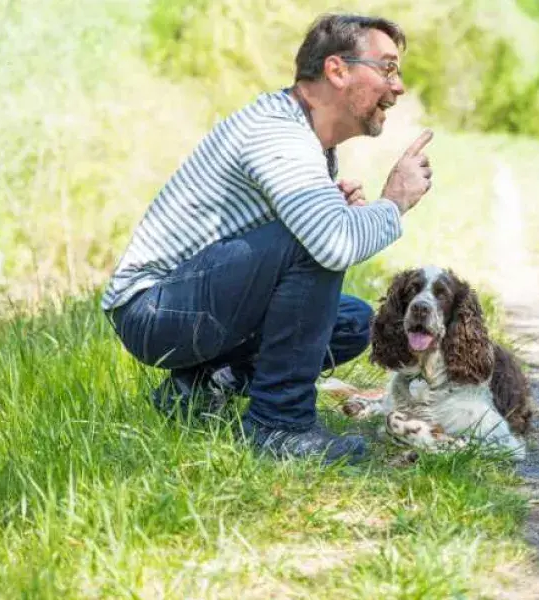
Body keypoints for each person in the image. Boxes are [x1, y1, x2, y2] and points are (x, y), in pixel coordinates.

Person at [101, 13, 433, 465]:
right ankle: (280, 426)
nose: (397, 88)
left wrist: (338, 211)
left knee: (353, 321)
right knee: (312, 241)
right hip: (153, 309)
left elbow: (306, 237)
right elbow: (329, 245)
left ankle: (199, 389)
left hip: (192, 302)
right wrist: (393, 203)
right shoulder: (279, 132)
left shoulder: (308, 141)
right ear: (337, 70)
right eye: (388, 68)